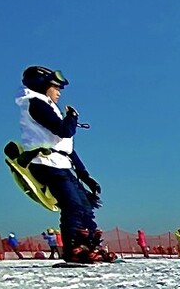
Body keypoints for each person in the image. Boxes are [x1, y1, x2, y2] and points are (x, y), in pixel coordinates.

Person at [16, 66, 113, 263]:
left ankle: (91, 246)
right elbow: (64, 131)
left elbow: (66, 148)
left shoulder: (49, 107)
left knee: (85, 206)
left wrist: (86, 177)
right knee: (72, 205)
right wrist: (72, 117)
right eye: (55, 87)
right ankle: (73, 249)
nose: (59, 92)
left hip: (60, 163)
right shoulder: (36, 103)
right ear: (42, 85)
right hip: (45, 163)